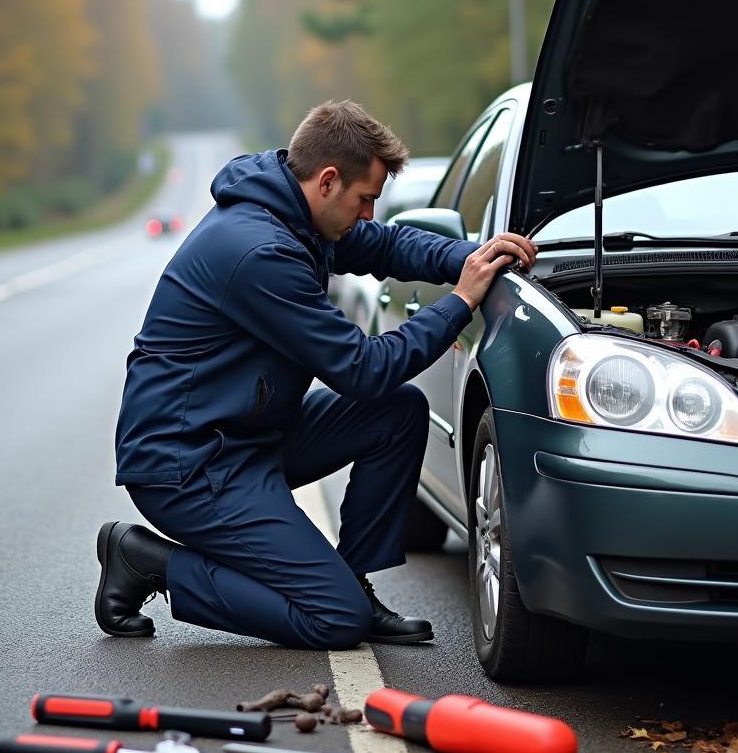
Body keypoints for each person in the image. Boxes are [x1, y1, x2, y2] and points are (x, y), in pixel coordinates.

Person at [96, 100, 537, 649]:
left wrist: (477, 256)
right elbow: (363, 368)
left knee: (398, 411)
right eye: (365, 199)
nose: (369, 214)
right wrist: (461, 300)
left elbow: (390, 245)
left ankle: (352, 580)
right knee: (332, 619)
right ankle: (149, 562)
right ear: (328, 181)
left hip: (246, 437)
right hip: (188, 464)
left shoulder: (298, 214)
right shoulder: (259, 252)